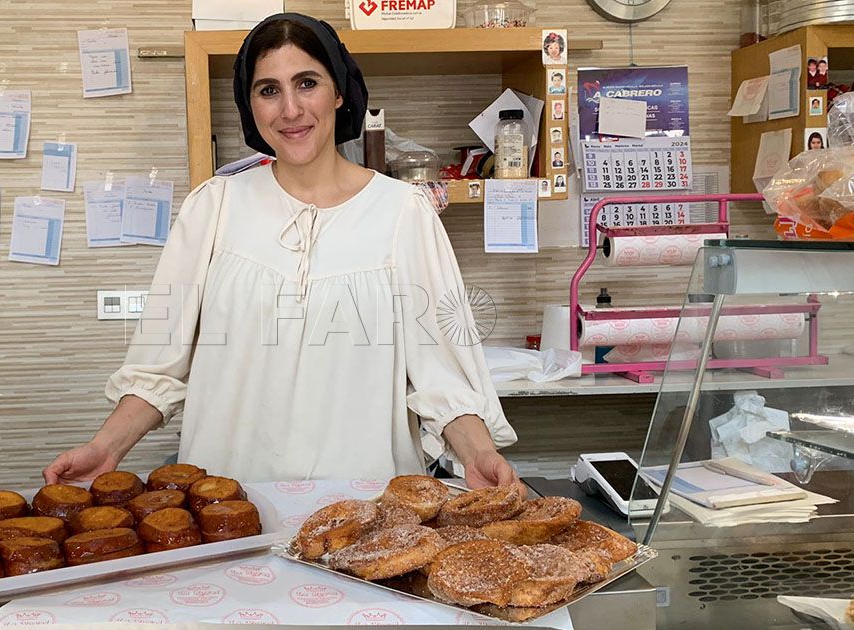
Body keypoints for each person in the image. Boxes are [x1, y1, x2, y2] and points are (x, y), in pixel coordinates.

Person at [44, 13, 517, 489]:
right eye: (268, 90)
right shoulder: (213, 207)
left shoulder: (404, 214)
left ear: (338, 92)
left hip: (367, 518)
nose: (290, 110)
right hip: (229, 511)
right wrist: (106, 447)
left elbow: (444, 380)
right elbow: (157, 367)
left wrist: (478, 454)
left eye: (306, 83)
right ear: (250, 105)